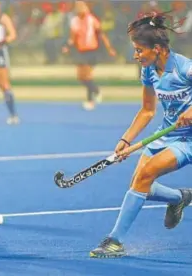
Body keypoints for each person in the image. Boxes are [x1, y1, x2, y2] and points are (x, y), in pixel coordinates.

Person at [90, 12, 192, 258]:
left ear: (157, 49)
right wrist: (125, 140)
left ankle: (114, 241)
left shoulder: (185, 69)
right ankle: (179, 197)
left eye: (139, 50)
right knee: (139, 181)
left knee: (146, 174)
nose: (135, 55)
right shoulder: (148, 71)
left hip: (189, 139)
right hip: (166, 133)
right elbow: (147, 111)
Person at [62, 1, 116, 111]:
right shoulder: (75, 21)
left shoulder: (92, 19)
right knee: (81, 77)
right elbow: (72, 38)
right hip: (81, 51)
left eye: (82, 6)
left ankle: (91, 99)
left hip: (91, 50)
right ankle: (95, 92)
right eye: (78, 7)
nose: (80, 8)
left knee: (87, 75)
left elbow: (101, 34)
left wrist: (109, 48)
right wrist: (67, 46)